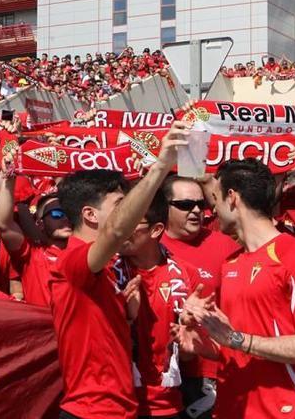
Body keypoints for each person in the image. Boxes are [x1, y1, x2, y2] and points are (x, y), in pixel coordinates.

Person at [51, 120, 188, 419]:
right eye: (120, 205)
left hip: (117, 408)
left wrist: (126, 317)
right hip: (93, 411)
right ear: (89, 214)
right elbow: (114, 232)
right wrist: (160, 168)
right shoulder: (73, 261)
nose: (132, 214)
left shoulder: (108, 267)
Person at [176, 159, 295, 419]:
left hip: (283, 412)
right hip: (232, 409)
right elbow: (237, 343)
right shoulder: (231, 263)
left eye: (214, 198)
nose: (211, 208)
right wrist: (201, 343)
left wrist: (237, 339)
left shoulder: (293, 255)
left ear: (232, 198)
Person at [159, 176, 240, 418]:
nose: (195, 210)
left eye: (200, 204)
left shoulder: (225, 245)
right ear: (164, 207)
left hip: (209, 371)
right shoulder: (148, 244)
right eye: (185, 205)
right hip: (159, 372)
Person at [113, 190, 197, 419]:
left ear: (156, 230)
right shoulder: (105, 271)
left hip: (168, 405)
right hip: (115, 404)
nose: (119, 230)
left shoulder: (186, 274)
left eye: (130, 222)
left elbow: (189, 354)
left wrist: (189, 337)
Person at [0, 166, 71, 306]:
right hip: (43, 327)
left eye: (67, 213)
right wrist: (8, 176)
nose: (64, 218)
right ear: (40, 223)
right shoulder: (30, 255)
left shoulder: (86, 252)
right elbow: (3, 224)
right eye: (56, 214)